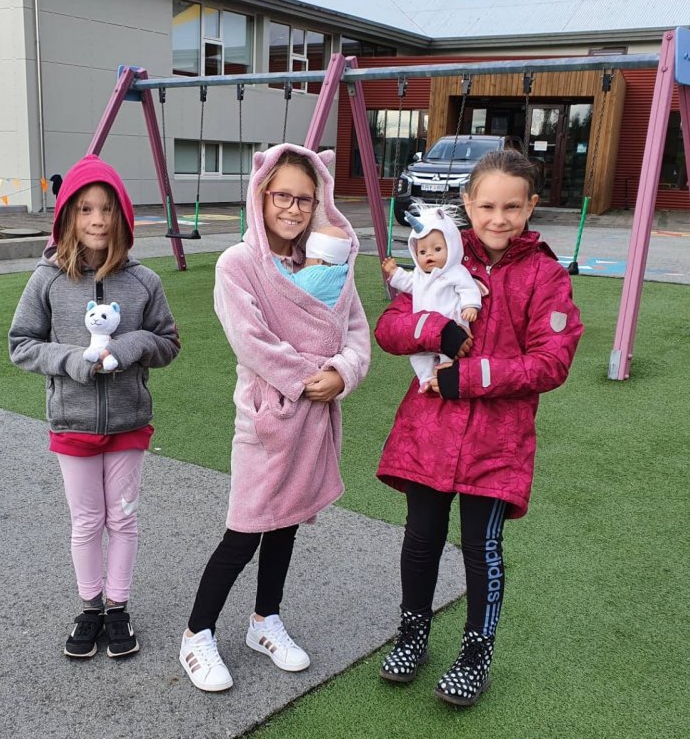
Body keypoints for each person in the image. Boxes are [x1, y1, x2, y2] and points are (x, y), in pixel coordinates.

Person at [373, 149, 583, 706]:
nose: (498, 218)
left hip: (497, 440)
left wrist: (470, 376)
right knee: (421, 538)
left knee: (481, 547)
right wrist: (433, 330)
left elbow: (551, 362)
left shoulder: (544, 275)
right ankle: (413, 631)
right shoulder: (440, 254)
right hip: (429, 429)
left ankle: (476, 652)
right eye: (487, 205)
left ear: (531, 206)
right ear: (467, 204)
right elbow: (389, 327)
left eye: (512, 207)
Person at [179, 144, 371, 693]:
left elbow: (356, 331)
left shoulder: (331, 264)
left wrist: (344, 372)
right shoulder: (239, 265)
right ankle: (197, 634)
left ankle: (265, 620)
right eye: (283, 195)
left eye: (305, 199)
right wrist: (310, 377)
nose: (293, 208)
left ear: (319, 203)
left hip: (315, 417)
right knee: (244, 530)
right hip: (268, 417)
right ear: (261, 196)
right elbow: (252, 341)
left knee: (286, 524)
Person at [9, 155, 180, 661]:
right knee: (86, 522)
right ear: (68, 216)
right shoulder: (47, 280)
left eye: (107, 209)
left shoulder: (144, 281)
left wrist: (130, 347)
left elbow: (168, 343)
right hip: (73, 422)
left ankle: (118, 606)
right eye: (85, 209)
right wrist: (73, 362)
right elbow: (22, 344)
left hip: (129, 421)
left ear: (122, 216)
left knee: (122, 520)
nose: (98, 220)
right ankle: (90, 608)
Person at [380, 206, 484, 392]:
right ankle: (426, 378)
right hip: (423, 332)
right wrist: (395, 272)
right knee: (418, 357)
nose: (429, 255)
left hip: (453, 326)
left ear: (452, 247)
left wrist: (470, 306)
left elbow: (468, 288)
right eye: (422, 252)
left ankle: (442, 375)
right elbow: (408, 283)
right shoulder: (419, 276)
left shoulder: (456, 272)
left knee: (449, 357)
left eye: (437, 249)